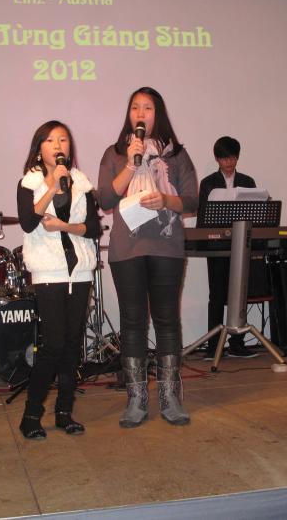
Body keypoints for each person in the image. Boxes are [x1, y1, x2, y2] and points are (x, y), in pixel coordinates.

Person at [97, 87, 198, 427]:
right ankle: (136, 400)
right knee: (133, 323)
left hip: (167, 246)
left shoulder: (177, 155)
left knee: (167, 321)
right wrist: (130, 163)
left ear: (159, 114)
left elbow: (192, 200)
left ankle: (170, 397)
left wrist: (166, 201)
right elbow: (105, 199)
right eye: (135, 107)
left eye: (148, 108)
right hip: (127, 249)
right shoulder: (115, 153)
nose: (140, 113)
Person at [16, 120, 101, 439]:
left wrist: (64, 227)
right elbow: (28, 222)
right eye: (51, 140)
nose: (58, 145)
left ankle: (64, 413)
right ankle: (31, 415)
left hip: (79, 271)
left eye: (63, 140)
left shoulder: (81, 181)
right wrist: (52, 185)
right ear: (40, 148)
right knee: (52, 345)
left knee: (72, 346)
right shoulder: (30, 182)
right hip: (48, 271)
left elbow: (93, 228)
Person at [199, 136, 259, 359]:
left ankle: (237, 344)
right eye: (225, 158)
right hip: (217, 245)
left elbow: (255, 215)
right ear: (217, 158)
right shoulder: (208, 183)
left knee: (239, 295)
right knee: (216, 295)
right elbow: (203, 218)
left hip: (241, 246)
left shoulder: (247, 181)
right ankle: (213, 346)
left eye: (233, 158)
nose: (229, 162)